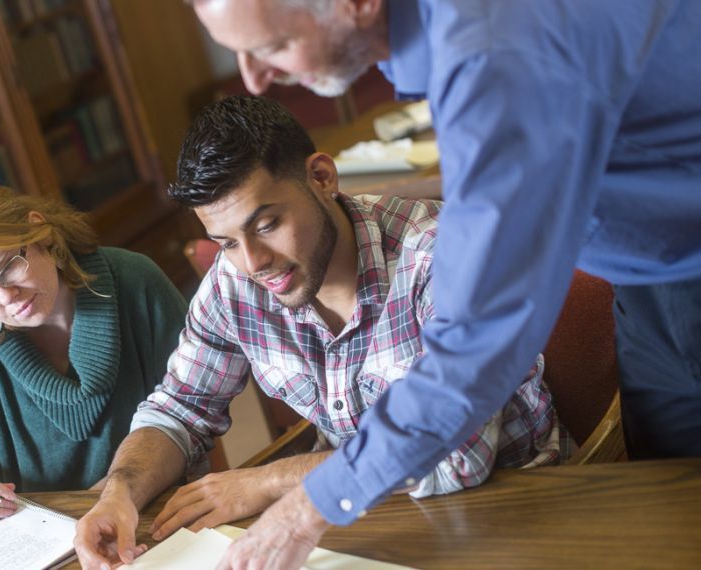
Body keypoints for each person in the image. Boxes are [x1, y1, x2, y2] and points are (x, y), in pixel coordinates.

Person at [186, 0, 701, 568]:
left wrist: (311, 504)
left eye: (273, 45)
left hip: (684, 269)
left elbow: (477, 340)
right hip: (652, 282)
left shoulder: (490, 50)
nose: (254, 78)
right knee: (678, 519)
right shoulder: (447, 41)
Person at [73, 95, 566, 569]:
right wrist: (120, 491)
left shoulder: (441, 258)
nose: (254, 263)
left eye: (267, 224)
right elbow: (180, 408)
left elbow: (457, 460)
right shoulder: (236, 280)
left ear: (321, 177)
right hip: (355, 518)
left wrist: (270, 482)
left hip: (519, 504)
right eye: (225, 243)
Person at [0, 176, 188, 530]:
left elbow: (192, 413)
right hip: (33, 539)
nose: (6, 297)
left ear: (40, 233)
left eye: (7, 267)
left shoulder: (136, 282)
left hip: (150, 513)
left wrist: (115, 495)